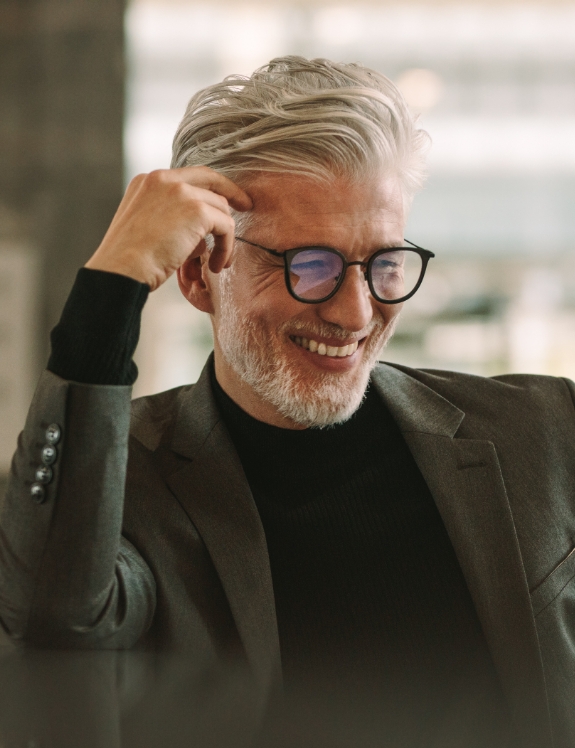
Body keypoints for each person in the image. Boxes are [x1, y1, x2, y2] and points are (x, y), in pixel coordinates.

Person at [0, 56, 573, 747]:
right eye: (311, 265)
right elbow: (49, 622)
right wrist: (110, 287)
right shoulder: (128, 484)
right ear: (197, 276)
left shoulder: (538, 432)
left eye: (385, 264)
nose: (356, 313)